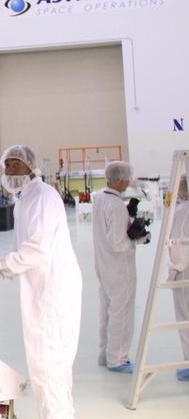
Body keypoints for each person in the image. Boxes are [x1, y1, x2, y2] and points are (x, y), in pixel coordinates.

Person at [0, 145, 82, 419]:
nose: (11, 171)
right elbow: (25, 247)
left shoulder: (40, 197)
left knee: (47, 362)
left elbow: (35, 251)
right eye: (8, 165)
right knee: (56, 360)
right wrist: (2, 273)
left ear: (29, 167)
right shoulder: (24, 199)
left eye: (16, 165)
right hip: (46, 284)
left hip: (51, 290)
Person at [92, 160, 138, 373]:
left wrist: (128, 215)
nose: (129, 181)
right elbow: (119, 244)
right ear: (121, 180)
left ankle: (105, 353)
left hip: (103, 265)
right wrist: (139, 237)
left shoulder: (100, 198)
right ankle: (117, 359)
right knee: (122, 313)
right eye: (127, 178)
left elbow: (108, 228)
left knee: (107, 309)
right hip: (120, 268)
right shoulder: (117, 206)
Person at [167, 175, 189, 381]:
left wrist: (173, 272)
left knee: (185, 317)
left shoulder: (181, 211)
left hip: (185, 272)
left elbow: (177, 247)